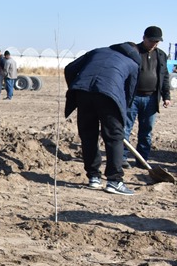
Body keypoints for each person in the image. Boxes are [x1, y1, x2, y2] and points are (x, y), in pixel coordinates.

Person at [64, 42, 140, 195]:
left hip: (83, 92)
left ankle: (93, 178)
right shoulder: (132, 63)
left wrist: (77, 85)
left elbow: (70, 68)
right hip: (109, 96)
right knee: (114, 137)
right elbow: (130, 92)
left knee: (88, 136)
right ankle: (114, 181)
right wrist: (122, 111)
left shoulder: (97, 51)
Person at [123, 26, 172, 168]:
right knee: (126, 129)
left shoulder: (161, 55)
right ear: (144, 38)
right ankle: (122, 158)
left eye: (157, 42)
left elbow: (164, 77)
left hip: (151, 99)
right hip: (133, 98)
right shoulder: (133, 51)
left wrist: (166, 96)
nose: (154, 44)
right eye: (152, 41)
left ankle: (142, 160)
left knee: (146, 132)